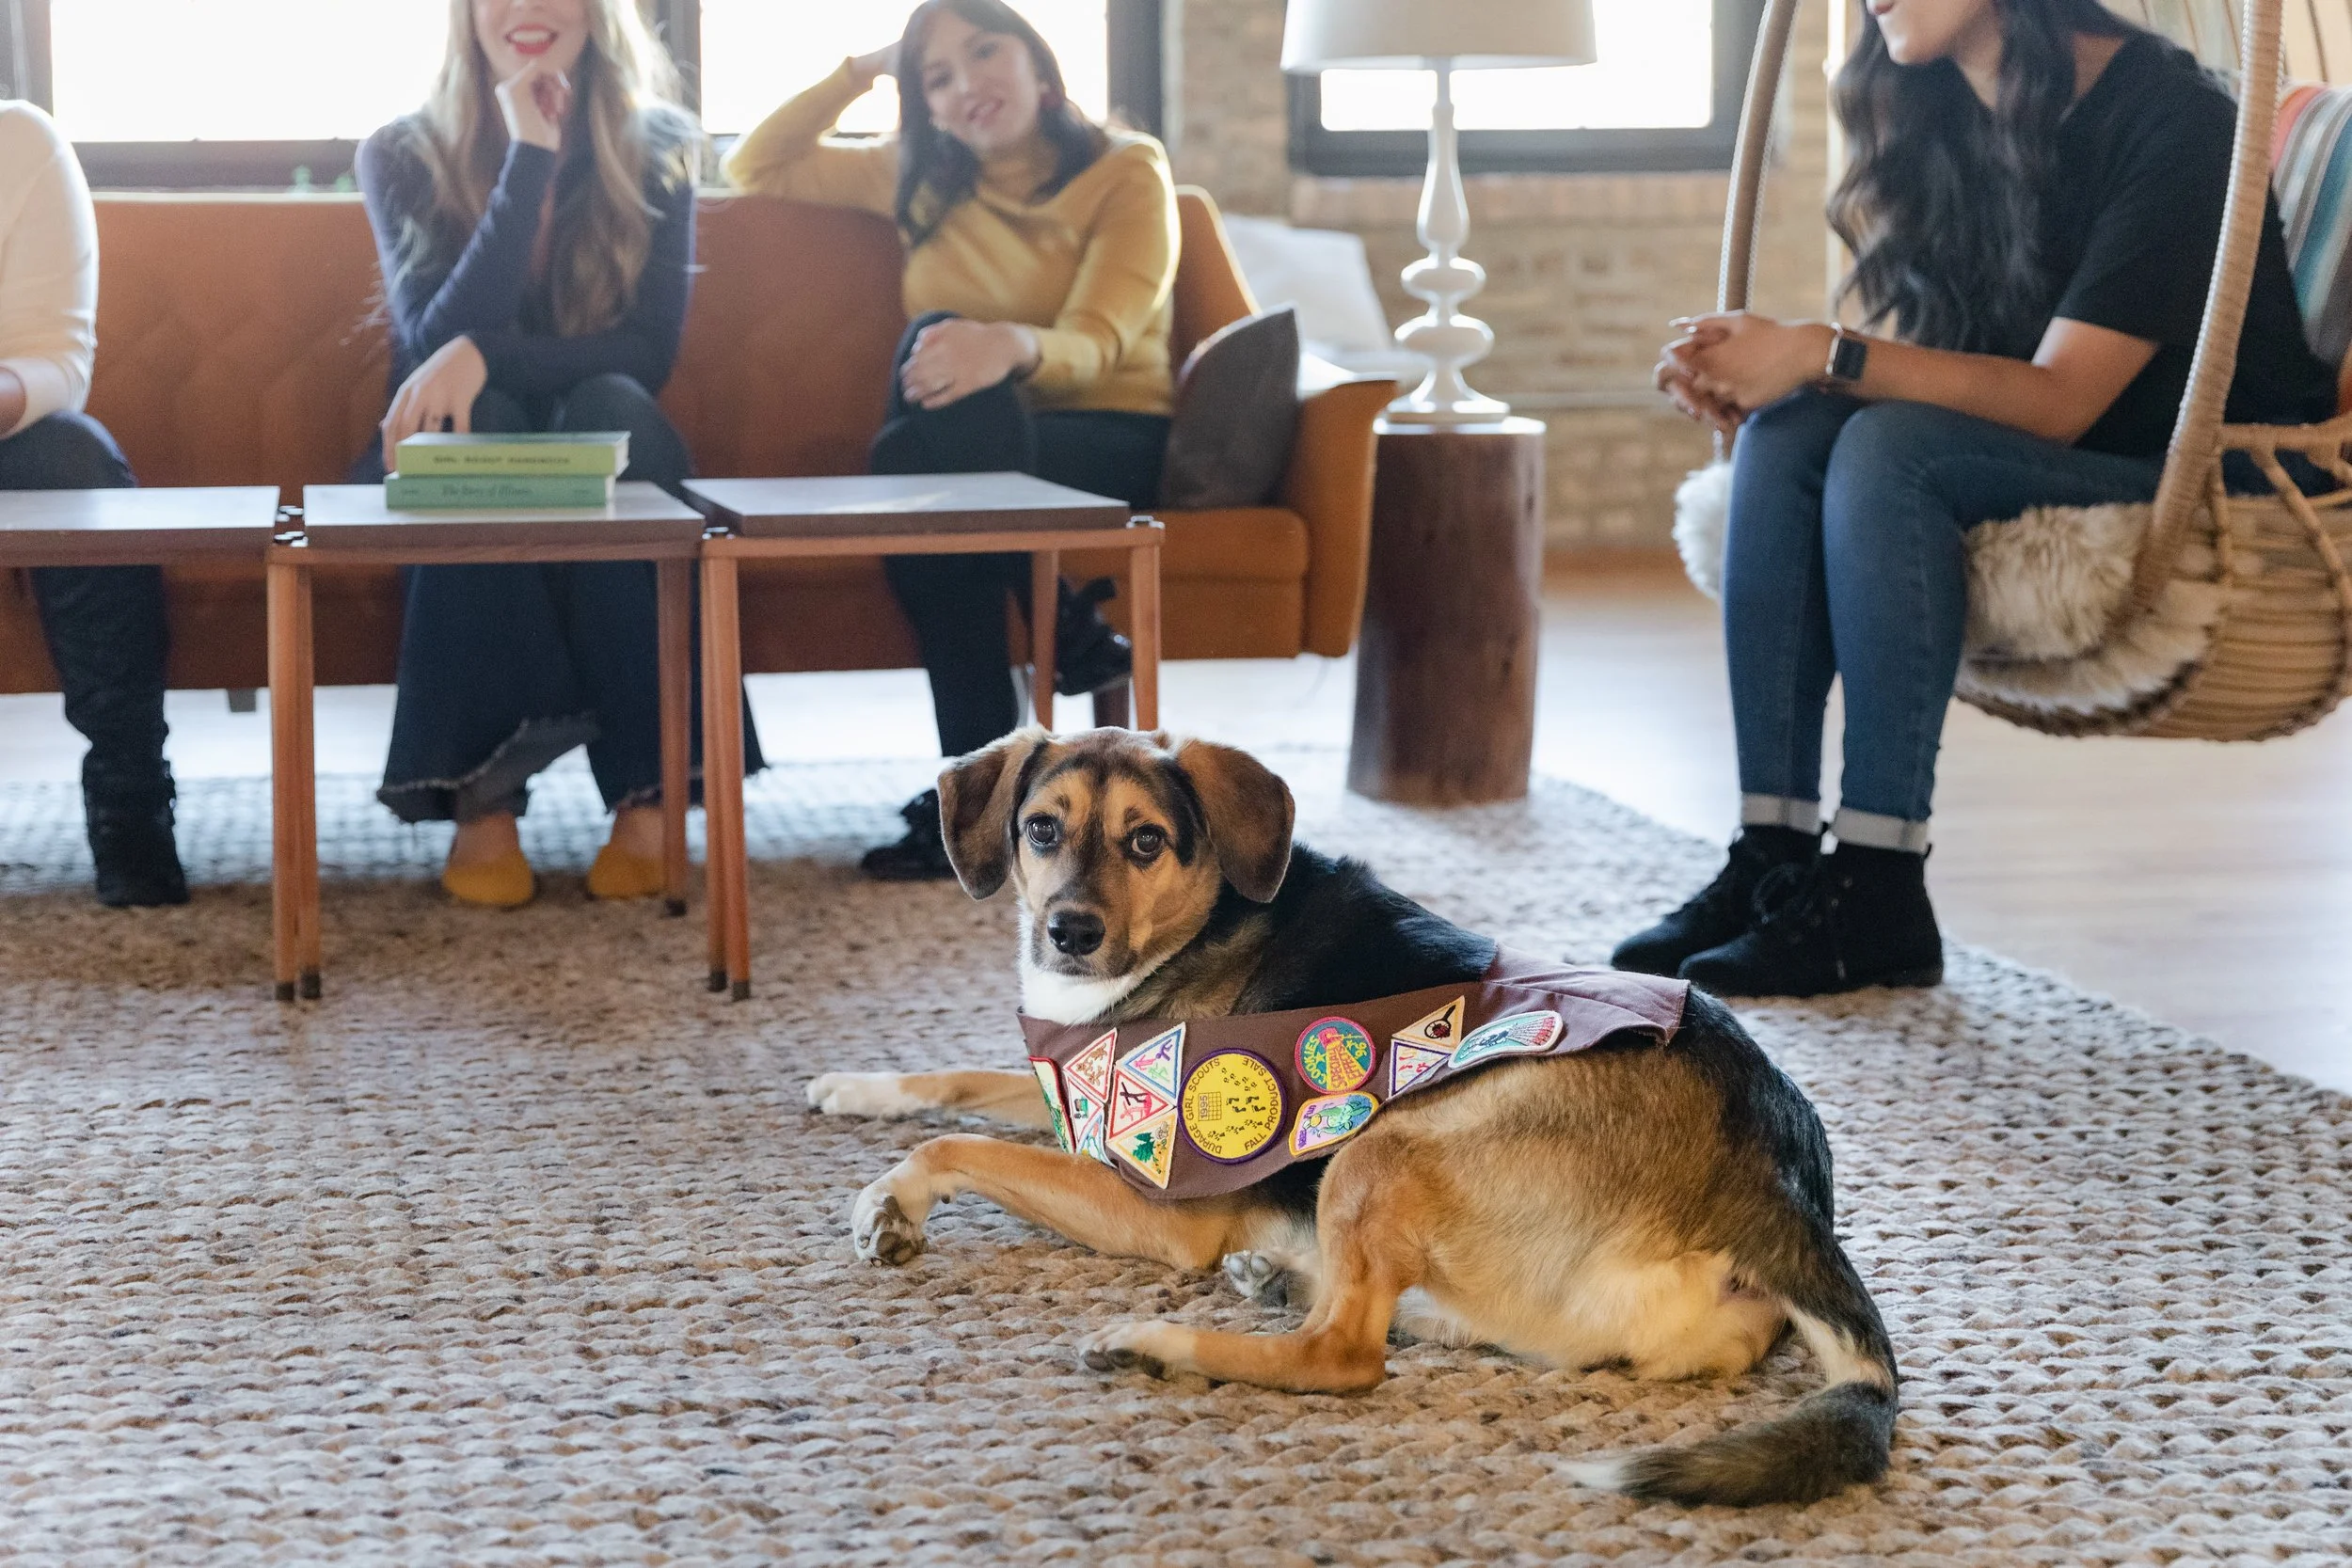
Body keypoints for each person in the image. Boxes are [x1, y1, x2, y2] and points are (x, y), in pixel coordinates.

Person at [1617, 0, 2334, 997]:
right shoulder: (1943, 114)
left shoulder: (2176, 122)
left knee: (1888, 447)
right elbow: (1960, 373)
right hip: (2063, 452)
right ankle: (1771, 858)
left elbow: (2058, 400)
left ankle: (1876, 880)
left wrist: (1820, 349)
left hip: (2214, 476)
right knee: (1790, 435)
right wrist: (1772, 376)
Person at [725, 0, 1176, 880]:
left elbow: (1104, 340)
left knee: (912, 465)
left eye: (984, 52)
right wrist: (863, 67)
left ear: (1039, 67)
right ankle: (1065, 639)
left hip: (1104, 432)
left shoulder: (1128, 170)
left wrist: (1007, 346)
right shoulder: (916, 177)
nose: (968, 83)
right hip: (980, 450)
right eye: (938, 75)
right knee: (937, 474)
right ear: (922, 103)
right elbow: (753, 163)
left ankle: (980, 803)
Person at [355, 0, 760, 908]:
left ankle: (652, 801)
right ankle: (483, 804)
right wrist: (529, 155)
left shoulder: (659, 146)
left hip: (601, 442)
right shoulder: (401, 153)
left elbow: (649, 352)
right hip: (447, 450)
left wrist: (493, 351)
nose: (531, 8)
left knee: (610, 410)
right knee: (478, 419)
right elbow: (436, 344)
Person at [0, 100, 185, 908]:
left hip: (10, 435)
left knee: (73, 453)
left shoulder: (21, 145)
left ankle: (129, 795)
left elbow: (56, 363)